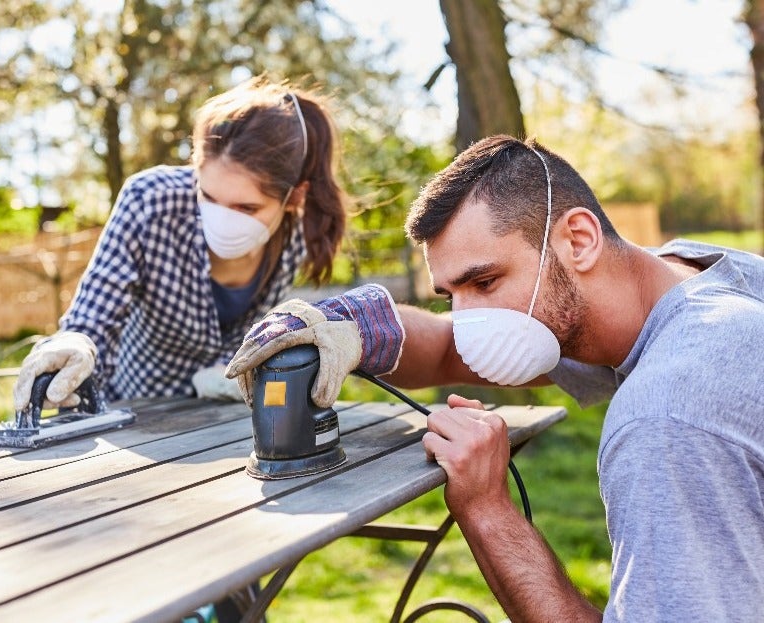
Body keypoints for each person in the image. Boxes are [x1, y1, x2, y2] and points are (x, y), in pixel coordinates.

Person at [225, 135, 764, 622]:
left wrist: (487, 511)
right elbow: (440, 350)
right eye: (452, 295)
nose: (468, 320)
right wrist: (359, 326)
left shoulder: (667, 417)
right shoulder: (705, 275)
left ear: (578, 239)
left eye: (484, 281)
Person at [13, 75, 348, 413]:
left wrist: (228, 370)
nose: (224, 220)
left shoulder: (294, 239)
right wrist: (75, 346)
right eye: (209, 196)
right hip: (129, 413)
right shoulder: (150, 201)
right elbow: (93, 317)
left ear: (294, 197)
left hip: (221, 420)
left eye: (247, 208)